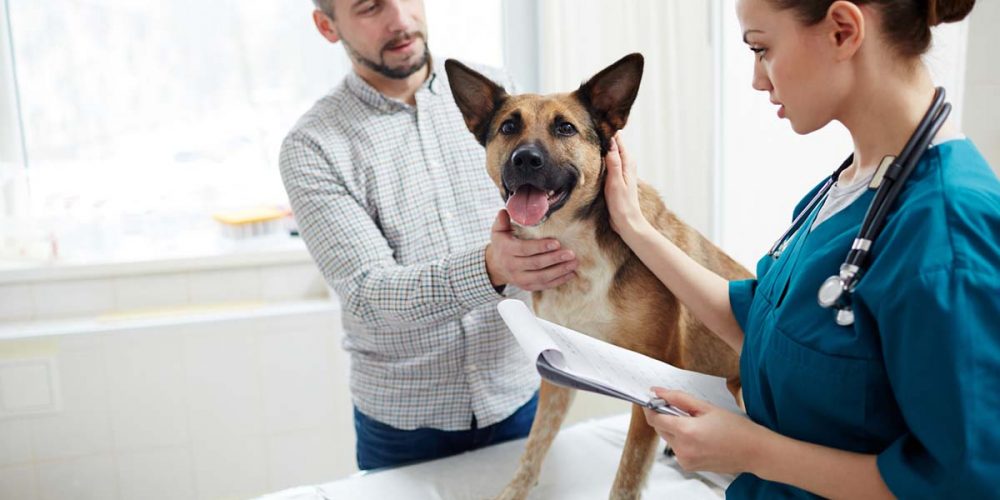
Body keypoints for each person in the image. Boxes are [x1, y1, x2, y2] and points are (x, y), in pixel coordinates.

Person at [604, 0, 999, 497]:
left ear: (842, 31)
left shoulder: (947, 232)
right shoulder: (850, 185)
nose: (758, 80)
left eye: (762, 49)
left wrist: (750, 451)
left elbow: (963, 486)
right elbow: (760, 325)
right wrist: (634, 227)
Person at [279, 0, 578, 470]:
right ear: (326, 26)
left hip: (519, 395)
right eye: (370, 7)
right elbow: (367, 294)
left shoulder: (504, 99)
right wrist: (490, 268)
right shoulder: (314, 145)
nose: (400, 20)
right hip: (405, 428)